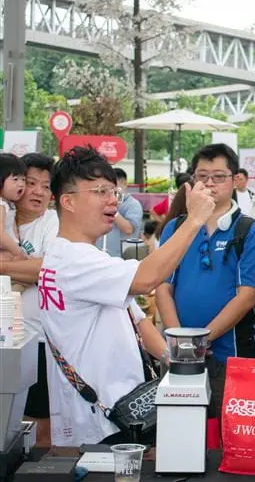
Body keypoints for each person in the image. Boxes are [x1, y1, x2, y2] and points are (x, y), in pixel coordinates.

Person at [39, 146, 215, 446]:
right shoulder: (75, 260)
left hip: (119, 412)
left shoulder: (73, 256)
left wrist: (174, 363)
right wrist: (194, 221)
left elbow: (138, 321)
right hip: (102, 421)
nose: (112, 201)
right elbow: (147, 279)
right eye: (100, 191)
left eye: (114, 192)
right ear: (67, 201)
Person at [155, 144, 255, 420]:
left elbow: (247, 297)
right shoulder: (176, 227)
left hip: (230, 354)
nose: (209, 183)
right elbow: (162, 287)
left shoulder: (249, 230)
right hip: (179, 356)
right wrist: (180, 342)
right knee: (182, 429)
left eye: (218, 176)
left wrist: (200, 342)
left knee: (229, 432)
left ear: (235, 180)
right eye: (202, 176)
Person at [0, 153, 58, 447]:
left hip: (38, 342)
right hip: (4, 340)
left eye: (45, 186)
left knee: (39, 425)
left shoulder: (52, 223)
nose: (37, 191)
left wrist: (5, 268)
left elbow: (45, 268)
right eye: (30, 182)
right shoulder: (4, 216)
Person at [96, 168, 143, 258]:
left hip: (123, 257)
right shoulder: (103, 201)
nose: (110, 190)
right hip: (102, 254)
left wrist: (113, 210)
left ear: (124, 184)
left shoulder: (133, 205)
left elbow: (129, 230)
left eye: (114, 186)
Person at [0, 153, 26, 259]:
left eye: (23, 180)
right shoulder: (1, 205)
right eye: (15, 179)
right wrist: (17, 251)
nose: (21, 184)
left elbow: (13, 229)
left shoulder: (10, 204)